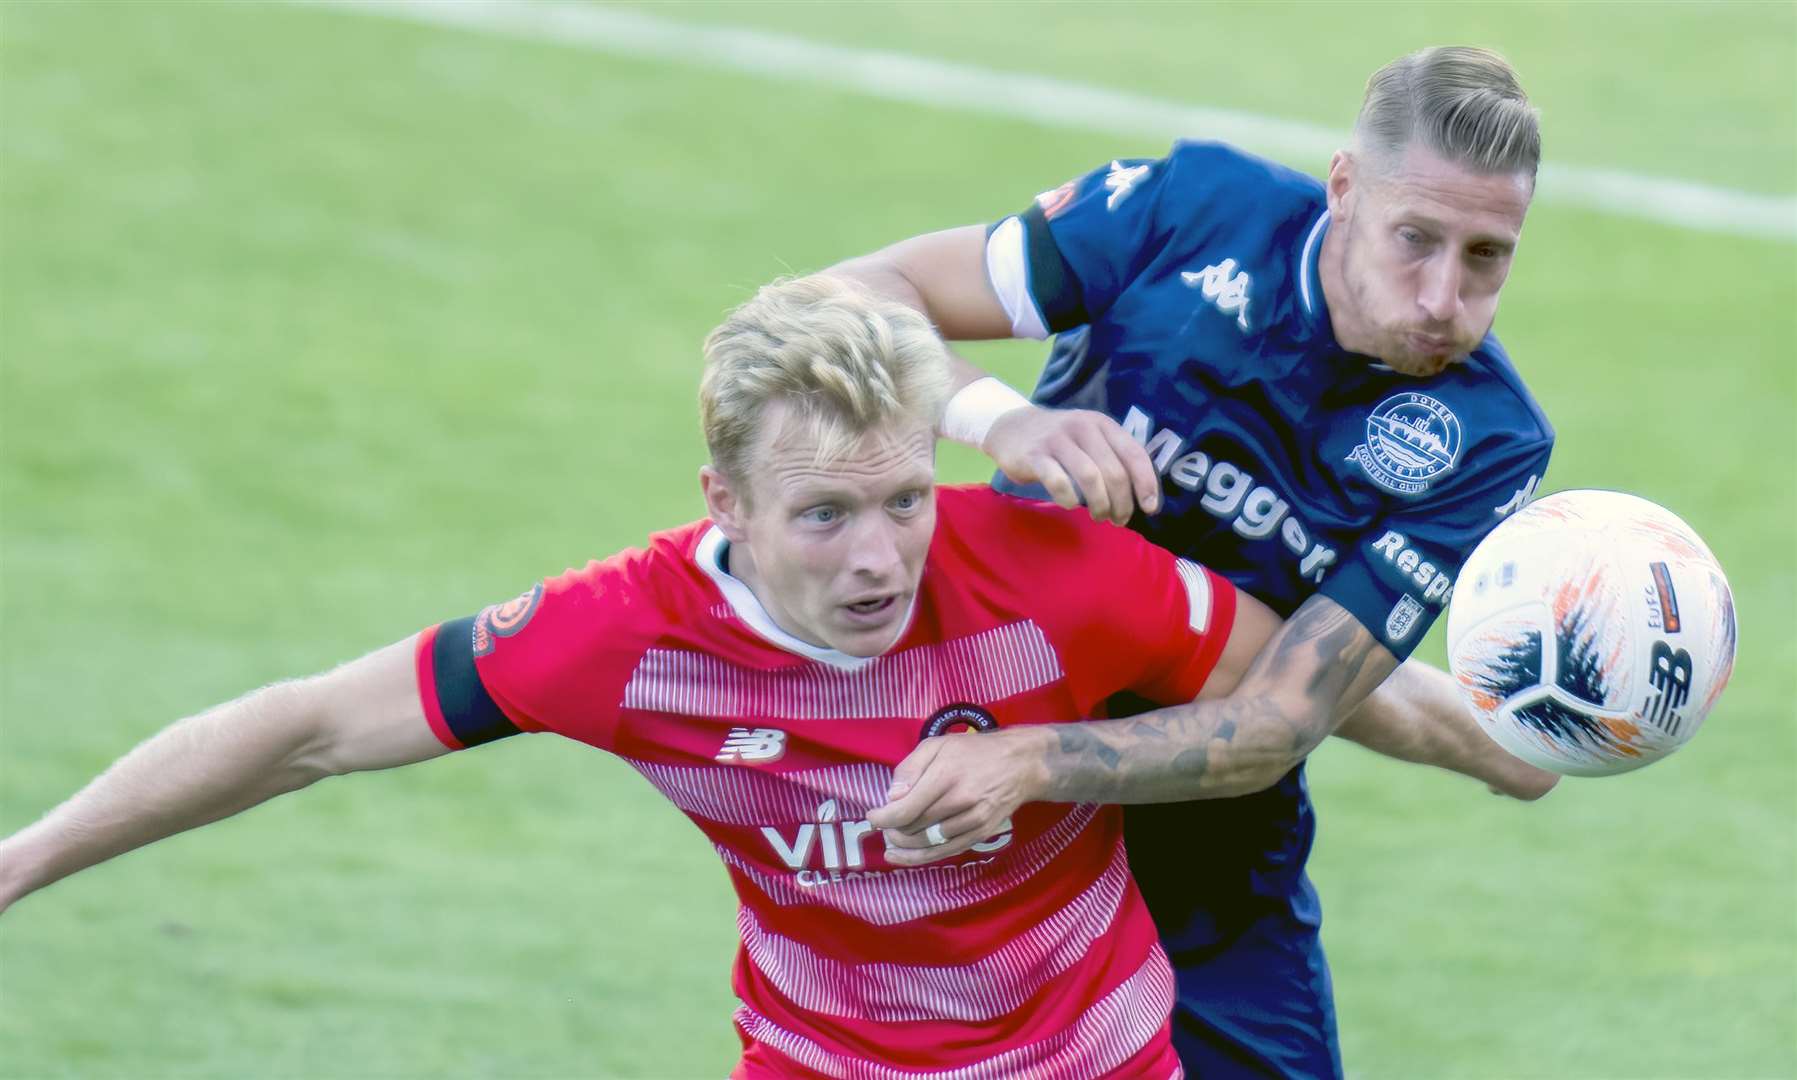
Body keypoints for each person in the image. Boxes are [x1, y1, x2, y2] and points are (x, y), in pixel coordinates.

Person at [1, 276, 1479, 1076]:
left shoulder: (1050, 570)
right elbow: (309, 730)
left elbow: (1304, 684)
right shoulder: (623, 640)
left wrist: (1503, 748)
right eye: (823, 515)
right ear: (722, 502)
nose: (877, 560)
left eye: (903, 501)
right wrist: (20, 862)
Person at [833, 46, 1558, 1079]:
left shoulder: (1483, 435)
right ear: (1345, 188)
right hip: (978, 778)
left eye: (1488, 257)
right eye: (1417, 240)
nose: (1444, 297)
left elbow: (1276, 722)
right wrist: (1009, 422)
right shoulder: (1191, 210)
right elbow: (856, 293)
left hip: (1204, 842)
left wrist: (1034, 762)